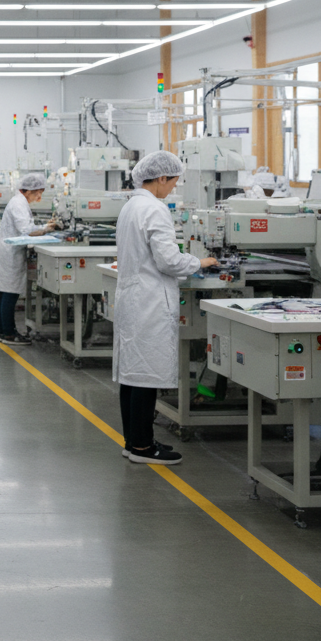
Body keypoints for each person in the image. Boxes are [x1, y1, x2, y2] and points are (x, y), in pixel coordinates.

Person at [113, 151, 219, 465]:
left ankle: (133, 441)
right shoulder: (154, 209)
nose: (172, 188)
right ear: (160, 178)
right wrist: (199, 262)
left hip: (133, 297)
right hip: (150, 301)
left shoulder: (131, 206)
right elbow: (168, 260)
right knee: (146, 375)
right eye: (172, 182)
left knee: (132, 374)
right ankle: (144, 448)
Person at [0, 172, 58, 345]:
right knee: (9, 293)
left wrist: (43, 226)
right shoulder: (19, 203)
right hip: (9, 254)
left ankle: (5, 331)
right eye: (38, 192)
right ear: (29, 190)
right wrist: (47, 229)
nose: (40, 196)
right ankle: (8, 333)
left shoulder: (20, 202)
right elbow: (27, 229)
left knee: (6, 293)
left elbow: (27, 227)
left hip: (9, 251)